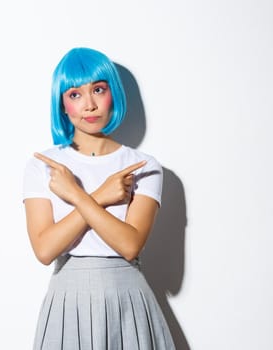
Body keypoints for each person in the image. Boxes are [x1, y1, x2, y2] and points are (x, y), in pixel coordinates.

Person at [22, 47, 175, 349]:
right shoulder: (44, 165)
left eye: (98, 90)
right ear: (61, 104)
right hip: (68, 297)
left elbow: (130, 245)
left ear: (112, 94)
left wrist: (78, 195)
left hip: (127, 295)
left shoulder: (144, 166)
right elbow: (44, 249)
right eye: (75, 94)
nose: (89, 105)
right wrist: (99, 196)